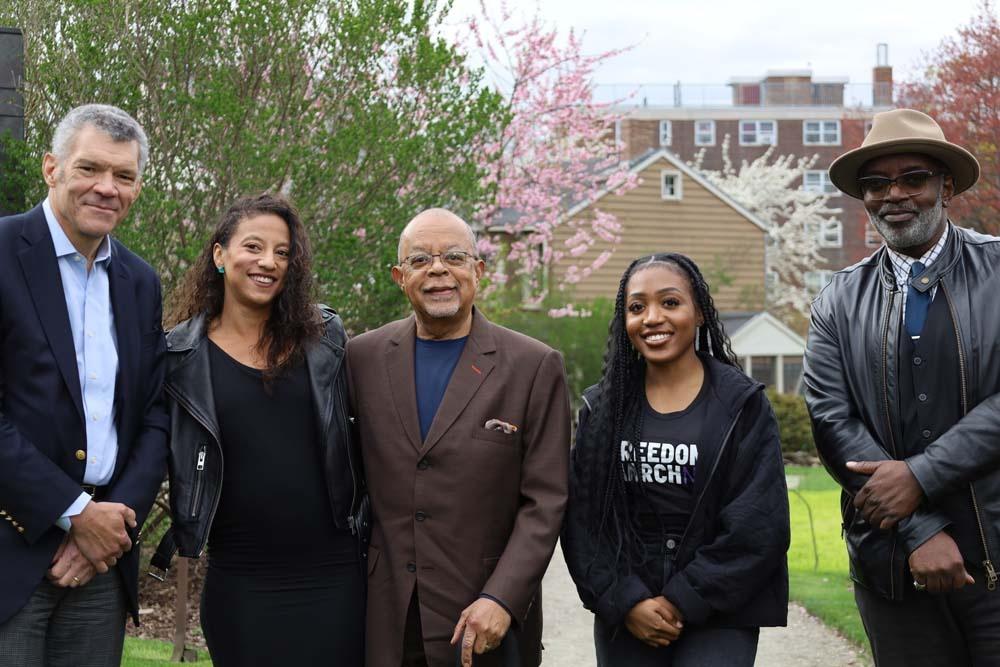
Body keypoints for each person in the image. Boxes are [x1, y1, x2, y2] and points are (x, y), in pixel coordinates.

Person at [804, 108, 1000, 665]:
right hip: (890, 564)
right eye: (876, 183)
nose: (895, 194)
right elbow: (831, 421)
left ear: (946, 185)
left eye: (913, 178)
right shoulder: (836, 301)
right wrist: (918, 531)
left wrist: (921, 474)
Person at [148, 193, 366, 666]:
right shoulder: (178, 358)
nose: (268, 262)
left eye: (282, 252)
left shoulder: (324, 337)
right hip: (241, 578)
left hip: (335, 575)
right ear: (220, 255)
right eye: (253, 247)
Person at [347, 208, 570, 667]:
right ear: (398, 276)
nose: (437, 270)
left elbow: (545, 501)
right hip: (388, 617)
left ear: (478, 270)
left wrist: (503, 598)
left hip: (485, 621)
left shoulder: (532, 366)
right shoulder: (361, 358)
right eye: (420, 260)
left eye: (453, 256)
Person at [0, 104, 169, 666]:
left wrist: (111, 523)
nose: (107, 188)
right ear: (51, 168)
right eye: (90, 169)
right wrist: (74, 512)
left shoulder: (141, 282)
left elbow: (154, 414)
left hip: (101, 565)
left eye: (123, 176)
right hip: (11, 548)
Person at [561, 252, 789, 667]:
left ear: (699, 311)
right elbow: (583, 521)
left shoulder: (741, 406)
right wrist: (626, 600)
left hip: (720, 608)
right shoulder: (603, 409)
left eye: (670, 302)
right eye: (636, 307)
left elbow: (759, 525)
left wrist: (684, 598)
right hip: (628, 611)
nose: (652, 318)